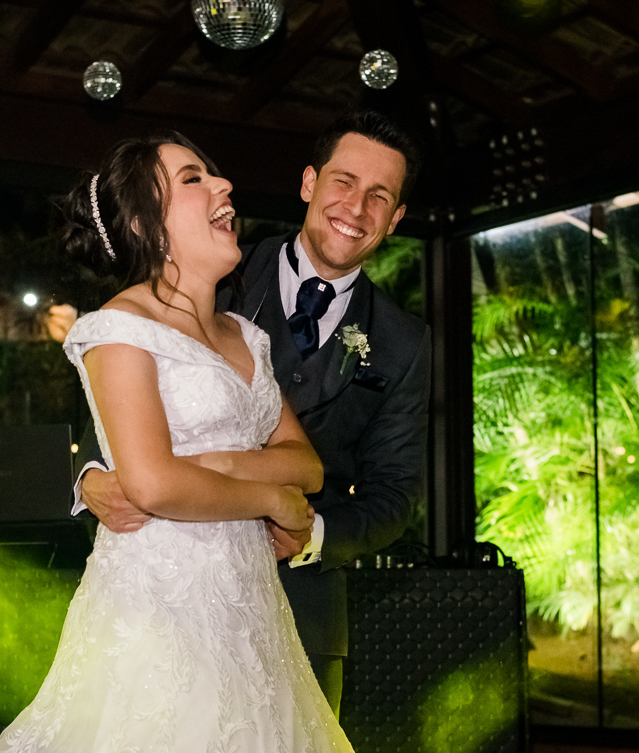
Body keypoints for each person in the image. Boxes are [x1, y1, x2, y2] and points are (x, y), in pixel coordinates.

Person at [0, 132, 380, 753]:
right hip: (159, 620)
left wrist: (216, 463)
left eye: (217, 178)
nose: (224, 189)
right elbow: (154, 483)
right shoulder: (117, 328)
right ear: (143, 223)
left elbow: (305, 465)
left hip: (253, 625)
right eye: (194, 179)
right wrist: (269, 498)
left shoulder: (245, 338)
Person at [77, 110, 432, 717]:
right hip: (170, 594)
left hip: (308, 619)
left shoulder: (404, 342)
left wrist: (311, 534)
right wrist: (88, 476)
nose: (357, 207)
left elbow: (396, 492)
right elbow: (112, 394)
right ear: (308, 184)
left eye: (380, 196)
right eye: (344, 182)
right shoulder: (219, 265)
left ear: (396, 219)